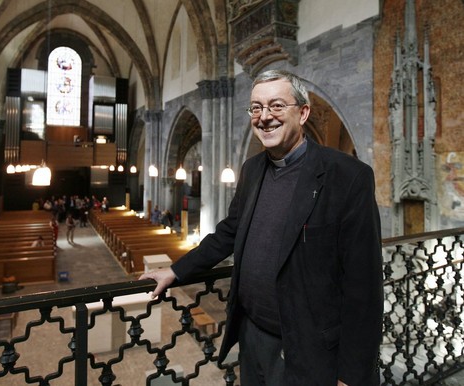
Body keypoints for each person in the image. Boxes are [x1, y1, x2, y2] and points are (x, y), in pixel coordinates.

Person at [140, 70, 383, 385]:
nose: (265, 117)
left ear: (303, 112)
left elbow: (363, 287)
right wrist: (177, 271)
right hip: (253, 338)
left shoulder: (347, 176)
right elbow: (230, 230)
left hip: (311, 348)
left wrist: (352, 376)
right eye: (256, 108)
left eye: (277, 106)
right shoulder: (252, 169)